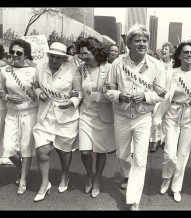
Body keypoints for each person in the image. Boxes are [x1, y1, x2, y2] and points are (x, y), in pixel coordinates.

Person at [104, 24, 165, 211]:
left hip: (142, 117)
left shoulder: (157, 65)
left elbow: (161, 94)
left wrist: (146, 96)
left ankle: (133, 200)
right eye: (137, 40)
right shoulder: (117, 63)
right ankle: (129, 175)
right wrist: (119, 96)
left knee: (140, 159)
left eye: (145, 40)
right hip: (122, 116)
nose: (142, 44)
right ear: (128, 43)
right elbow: (107, 90)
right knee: (122, 154)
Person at [153, 42, 191, 203]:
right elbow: (162, 95)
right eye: (186, 52)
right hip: (172, 114)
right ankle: (167, 177)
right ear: (179, 56)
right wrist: (157, 115)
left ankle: (176, 187)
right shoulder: (170, 73)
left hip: (190, 114)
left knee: (183, 154)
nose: (189, 55)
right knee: (170, 154)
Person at [32, 42, 81, 202]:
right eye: (51, 56)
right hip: (46, 114)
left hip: (66, 117)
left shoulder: (74, 70)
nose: (53, 60)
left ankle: (65, 174)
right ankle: (44, 183)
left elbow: (79, 93)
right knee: (42, 150)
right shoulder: (40, 67)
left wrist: (72, 102)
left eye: (58, 57)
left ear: (64, 58)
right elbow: (35, 85)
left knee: (64, 151)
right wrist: (39, 93)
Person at [74, 37, 116, 198]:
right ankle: (89, 174)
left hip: (104, 114)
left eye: (86, 53)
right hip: (85, 113)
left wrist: (113, 89)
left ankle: (97, 180)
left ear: (95, 52)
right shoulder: (80, 69)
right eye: (81, 53)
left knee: (100, 151)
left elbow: (115, 90)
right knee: (84, 152)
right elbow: (77, 90)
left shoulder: (110, 68)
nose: (83, 56)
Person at [0, 39, 38, 194]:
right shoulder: (4, 71)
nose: (14, 55)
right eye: (12, 52)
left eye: (19, 53)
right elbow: (1, 90)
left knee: (25, 148)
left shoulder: (34, 71)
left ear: (26, 55)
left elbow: (40, 90)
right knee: (9, 150)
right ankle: (22, 169)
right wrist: (8, 98)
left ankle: (23, 179)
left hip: (29, 114)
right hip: (11, 114)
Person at [149, 42, 175, 152]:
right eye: (163, 49)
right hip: (158, 95)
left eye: (166, 49)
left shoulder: (175, 65)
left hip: (170, 96)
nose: (164, 51)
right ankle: (155, 141)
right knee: (156, 119)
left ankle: (163, 141)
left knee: (167, 120)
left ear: (171, 52)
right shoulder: (157, 64)